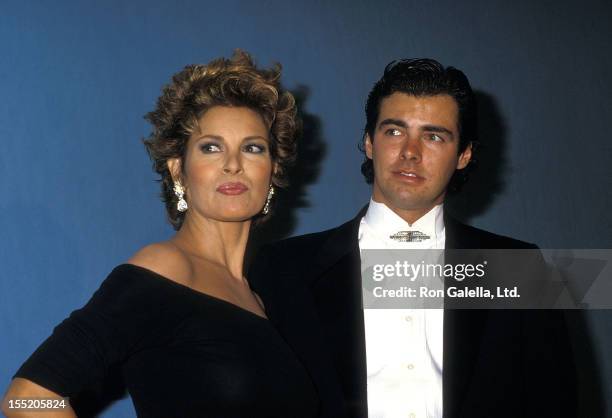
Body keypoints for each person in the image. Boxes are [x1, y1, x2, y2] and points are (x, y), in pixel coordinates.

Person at [249, 59, 577, 417]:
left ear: (464, 155)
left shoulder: (519, 270)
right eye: (394, 131)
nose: (410, 152)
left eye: (434, 136)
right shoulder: (283, 269)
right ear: (369, 143)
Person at [2, 50, 319, 418]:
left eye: (252, 148)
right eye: (211, 147)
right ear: (178, 170)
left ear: (272, 171)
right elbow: (26, 398)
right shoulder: (164, 269)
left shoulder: (257, 299)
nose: (233, 164)